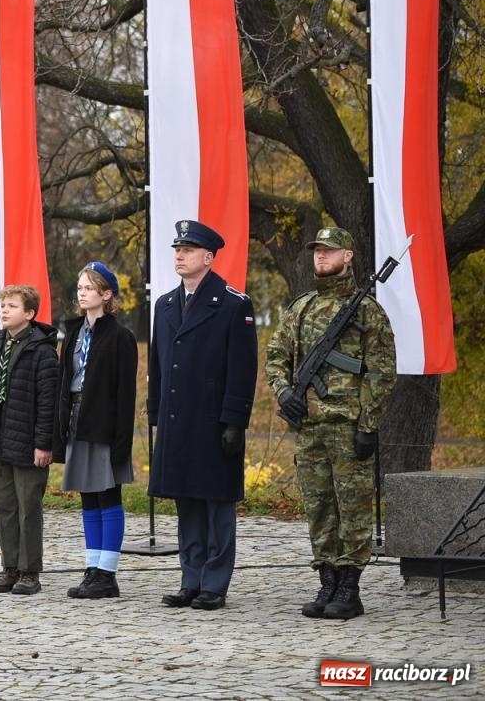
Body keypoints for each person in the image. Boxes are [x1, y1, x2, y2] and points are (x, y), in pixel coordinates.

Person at [265, 226, 395, 621]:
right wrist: (284, 390)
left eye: (330, 250)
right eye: (317, 250)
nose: (321, 256)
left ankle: (349, 588)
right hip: (309, 427)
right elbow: (276, 354)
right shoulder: (301, 306)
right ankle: (327, 582)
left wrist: (368, 425)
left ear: (348, 256)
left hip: (346, 424)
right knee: (320, 509)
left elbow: (382, 371)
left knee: (352, 509)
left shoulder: (366, 310)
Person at [148, 219, 257, 611]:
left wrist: (234, 422)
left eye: (188, 250)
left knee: (216, 505)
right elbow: (159, 365)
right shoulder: (165, 304)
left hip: (212, 420)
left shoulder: (232, 303)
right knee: (187, 503)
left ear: (208, 258)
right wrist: (154, 411)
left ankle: (214, 583)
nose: (179, 255)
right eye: (177, 249)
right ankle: (190, 578)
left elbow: (242, 370)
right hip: (178, 418)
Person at [56, 262, 138, 599]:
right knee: (87, 495)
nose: (82, 292)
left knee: (107, 494)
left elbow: (124, 393)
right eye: (79, 287)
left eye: (89, 287)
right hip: (78, 418)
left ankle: (108, 573)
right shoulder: (74, 333)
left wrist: (121, 440)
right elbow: (66, 380)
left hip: (104, 423)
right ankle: (92, 567)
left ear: (106, 294)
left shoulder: (120, 337)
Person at [0, 284, 58, 595]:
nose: (5, 311)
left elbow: (47, 403)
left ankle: (29, 570)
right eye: (3, 305)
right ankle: (9, 567)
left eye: (12, 306)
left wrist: (43, 443)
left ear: (30, 313)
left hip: (28, 442)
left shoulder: (42, 350)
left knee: (27, 507)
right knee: (2, 506)